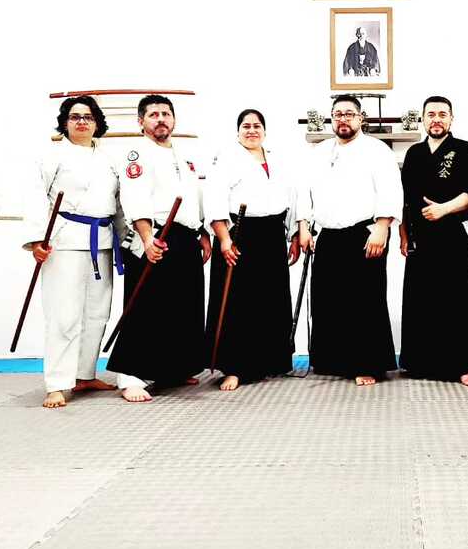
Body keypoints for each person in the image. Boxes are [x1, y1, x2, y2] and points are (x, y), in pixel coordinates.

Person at [106, 94, 211, 402]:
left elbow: (194, 197)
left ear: (174, 120)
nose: (161, 119)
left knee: (183, 305)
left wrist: (202, 233)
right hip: (154, 234)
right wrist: (147, 238)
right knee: (146, 306)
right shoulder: (137, 154)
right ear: (141, 122)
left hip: (185, 236)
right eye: (154, 114)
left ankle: (173, 368)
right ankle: (130, 376)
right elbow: (135, 196)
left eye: (166, 113)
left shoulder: (184, 155)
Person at [23, 96, 121, 408]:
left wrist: (129, 240)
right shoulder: (52, 156)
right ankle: (57, 383)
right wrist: (37, 240)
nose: (81, 122)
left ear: (97, 123)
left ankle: (84, 374)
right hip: (63, 241)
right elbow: (35, 196)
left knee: (97, 313)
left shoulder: (108, 159)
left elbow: (118, 204)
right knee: (63, 315)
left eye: (88, 117)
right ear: (65, 123)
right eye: (75, 117)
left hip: (101, 241)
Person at [297, 94, 402, 386]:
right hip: (328, 235)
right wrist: (304, 226)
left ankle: (366, 364)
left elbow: (391, 190)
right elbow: (304, 192)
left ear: (360, 118)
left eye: (349, 114)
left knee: (364, 302)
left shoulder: (377, 150)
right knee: (328, 300)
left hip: (365, 233)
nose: (343, 119)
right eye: (338, 114)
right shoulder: (319, 151)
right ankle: (333, 361)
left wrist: (382, 227)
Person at [204, 109, 300, 391]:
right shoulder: (226, 158)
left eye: (257, 126)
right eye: (246, 126)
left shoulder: (276, 159)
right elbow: (214, 199)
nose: (251, 130)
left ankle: (270, 360)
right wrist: (224, 238)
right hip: (239, 233)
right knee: (238, 302)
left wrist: (294, 234)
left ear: (264, 131)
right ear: (238, 132)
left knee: (271, 297)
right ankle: (235, 367)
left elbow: (291, 197)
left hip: (272, 234)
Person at [398, 95, 468, 385]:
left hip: (452, 233)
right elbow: (405, 198)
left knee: (454, 299)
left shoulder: (464, 149)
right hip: (420, 236)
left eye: (442, 114)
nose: (436, 119)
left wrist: (444, 209)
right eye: (431, 114)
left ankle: (460, 365)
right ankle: (420, 362)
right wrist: (404, 232)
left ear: (451, 119)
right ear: (423, 119)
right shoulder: (414, 153)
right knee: (420, 297)